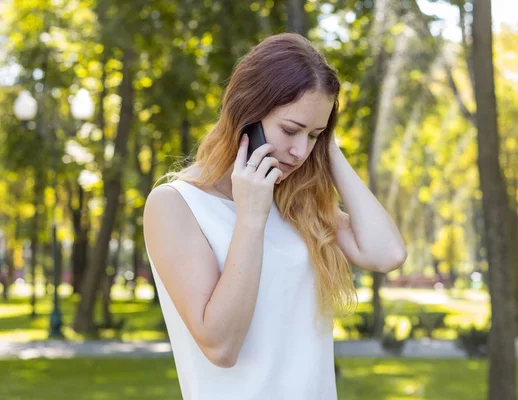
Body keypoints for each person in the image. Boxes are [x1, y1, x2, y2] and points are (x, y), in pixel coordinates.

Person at [143, 32, 407, 400]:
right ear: (247, 112)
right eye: (290, 129)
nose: (300, 151)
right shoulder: (175, 204)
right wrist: (251, 216)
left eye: (314, 134)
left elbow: (387, 253)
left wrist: (328, 148)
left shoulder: (296, 203)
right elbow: (221, 346)